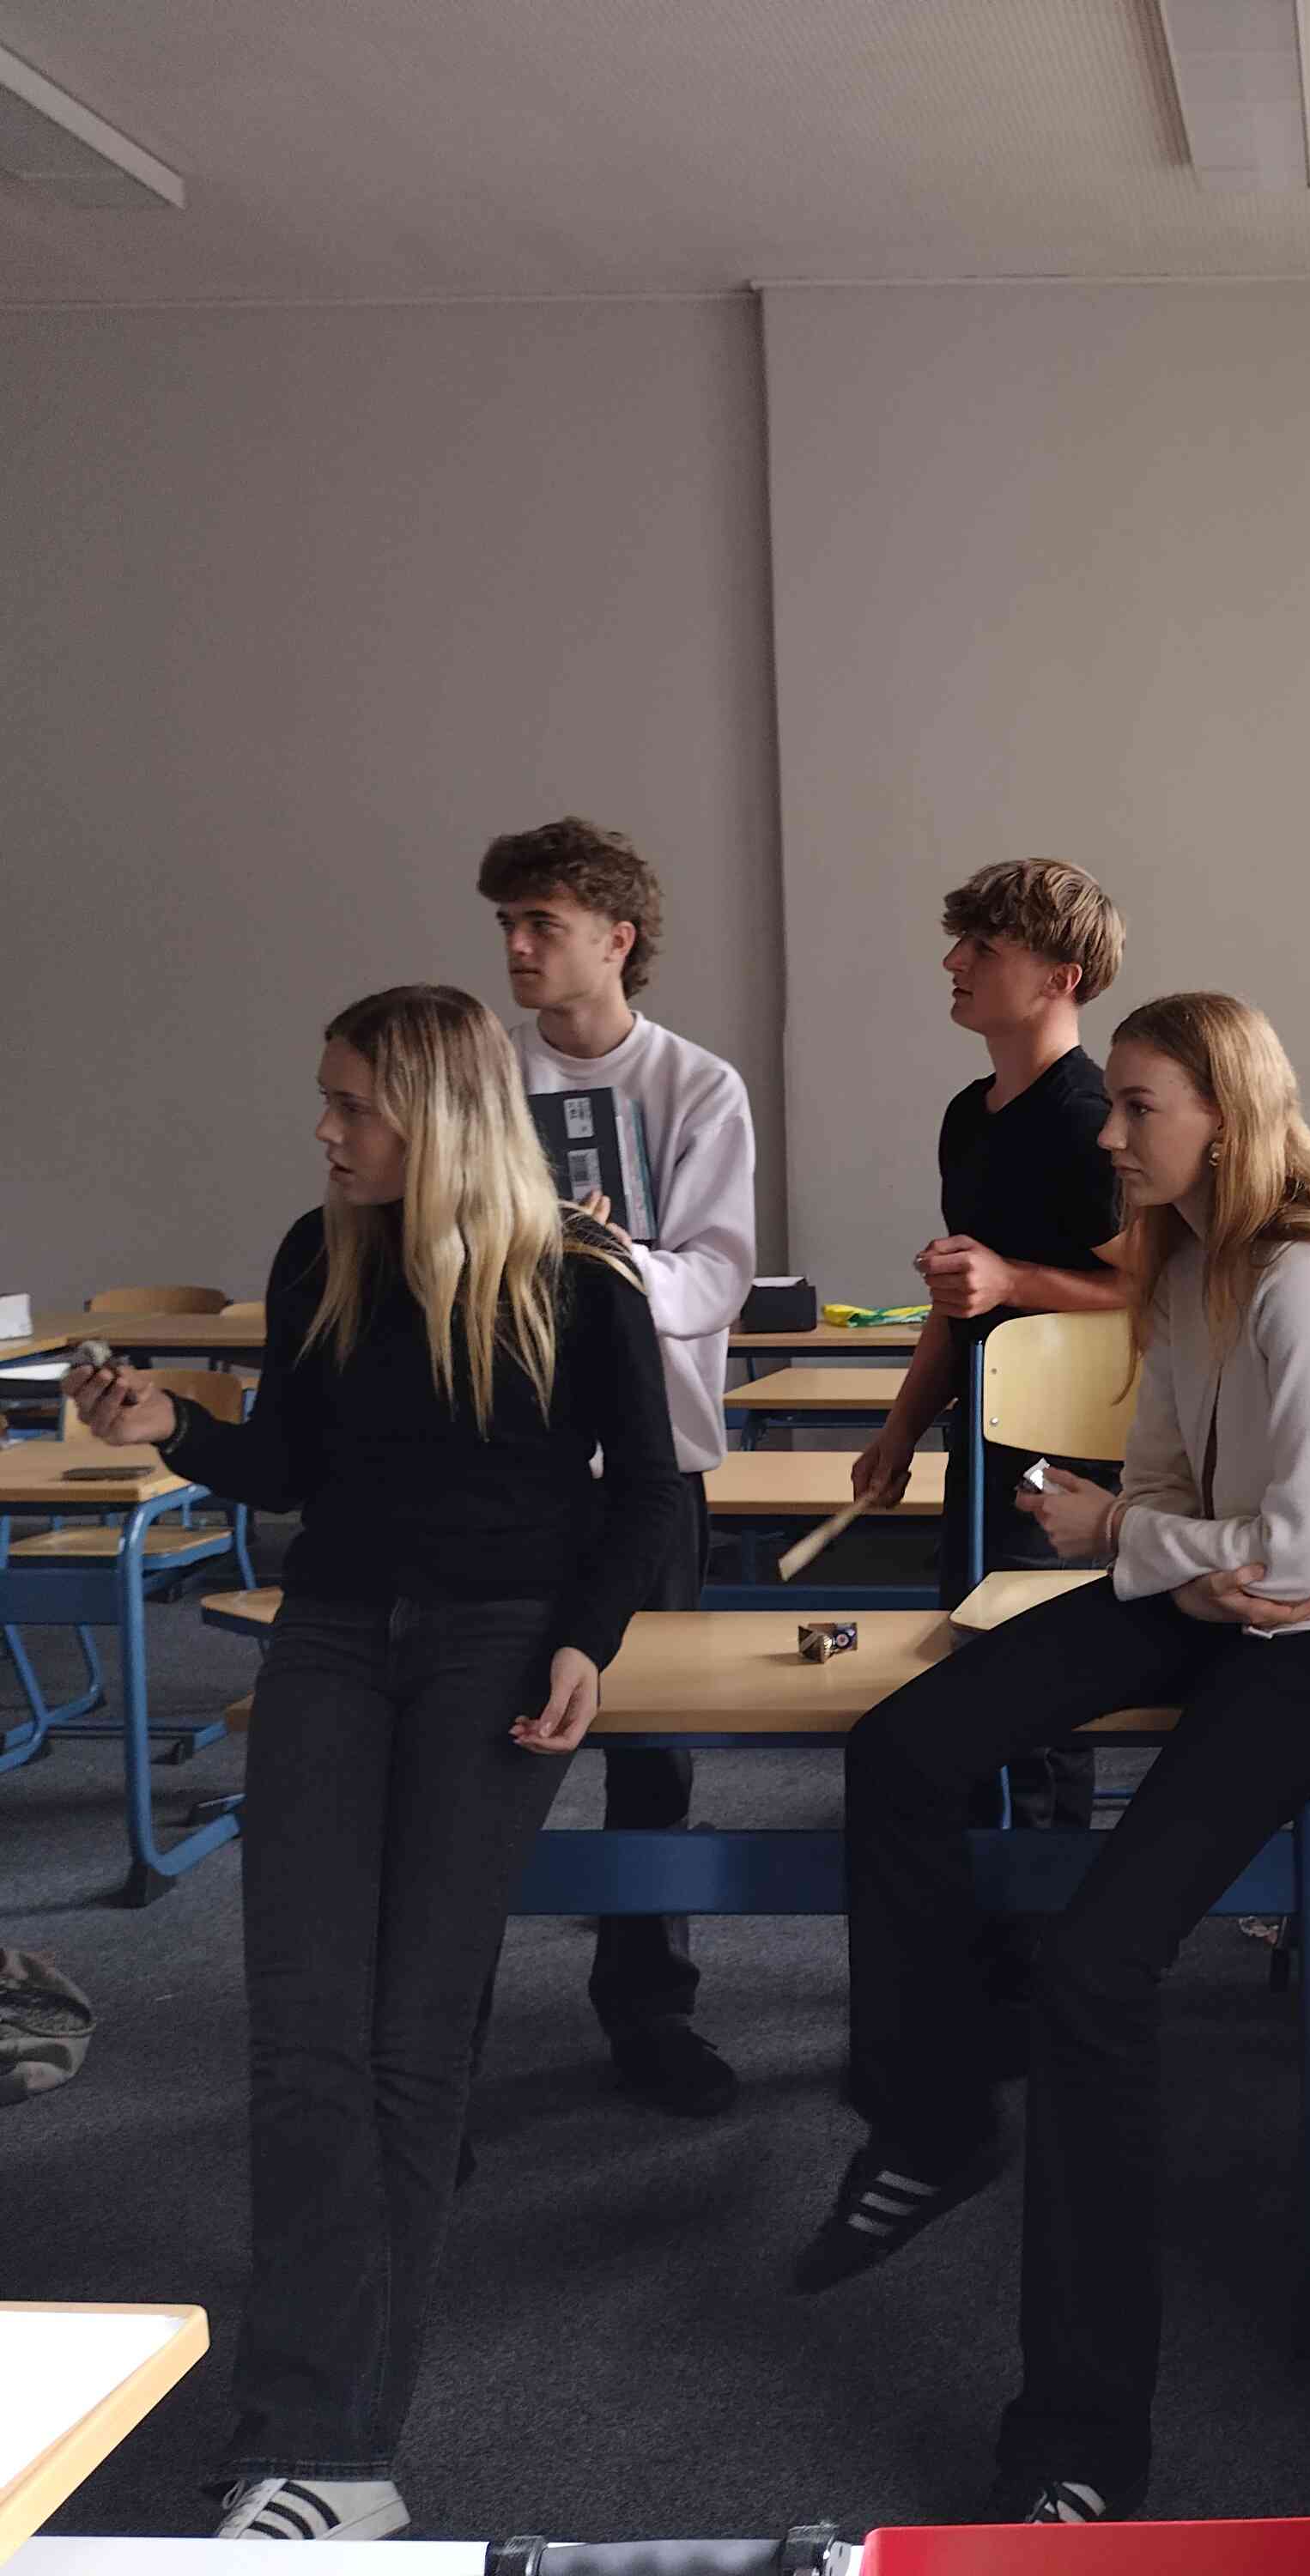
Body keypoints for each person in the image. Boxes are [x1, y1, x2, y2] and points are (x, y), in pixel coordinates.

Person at [800, 991, 1310, 2524]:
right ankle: (939, 2118)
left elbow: (1303, 1566)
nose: (1110, 1133)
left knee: (1099, 1963)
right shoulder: (1184, 1260)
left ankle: (1079, 2445)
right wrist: (1172, 1553)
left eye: (1140, 1107)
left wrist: (1139, 1540)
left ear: (1226, 1119)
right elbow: (1182, 1494)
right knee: (901, 1751)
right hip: (1212, 1582)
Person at [66, 986, 682, 2541]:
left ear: (441, 1117)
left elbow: (647, 1495)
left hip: (500, 1649)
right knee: (303, 2036)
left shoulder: (577, 1275)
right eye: (329, 1100)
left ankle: (332, 2454)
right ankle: (321, 2443)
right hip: (336, 1636)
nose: (326, 1130)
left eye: (354, 1105)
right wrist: (172, 1422)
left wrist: (587, 1642)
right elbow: (294, 1462)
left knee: (409, 2043)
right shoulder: (321, 1251)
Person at [480, 817, 757, 2117]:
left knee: (653, 1755)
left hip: (652, 1461)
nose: (517, 947)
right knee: (487, 1740)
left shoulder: (695, 1085)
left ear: (617, 937)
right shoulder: (483, 1076)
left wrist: (599, 1256)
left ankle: (649, 2011)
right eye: (508, 924)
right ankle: (446, 2026)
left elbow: (715, 1276)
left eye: (542, 922)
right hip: (506, 1457)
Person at [846, 858, 1131, 1837]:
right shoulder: (969, 1114)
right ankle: (990, 1889)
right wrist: (899, 1430)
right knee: (976, 1673)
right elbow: (958, 1298)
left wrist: (1014, 1282)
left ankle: (1043, 1904)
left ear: (1061, 977)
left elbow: (1155, 1291)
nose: (953, 962)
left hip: (1072, 1452)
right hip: (981, 1441)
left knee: (1037, 1699)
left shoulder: (1090, 1120)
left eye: (984, 947)